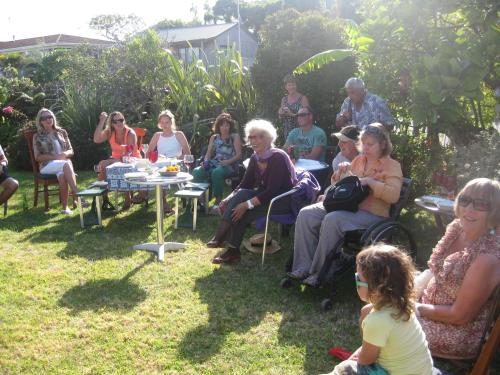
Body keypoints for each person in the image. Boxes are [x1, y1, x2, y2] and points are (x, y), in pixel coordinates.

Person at [289, 123, 402, 287]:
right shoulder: (358, 160)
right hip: (347, 206)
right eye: (364, 144)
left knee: (333, 219)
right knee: (307, 213)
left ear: (383, 144)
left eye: (370, 144)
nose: (366, 148)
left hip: (372, 214)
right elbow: (342, 186)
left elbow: (393, 195)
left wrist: (370, 182)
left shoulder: (392, 166)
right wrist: (341, 174)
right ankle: (302, 266)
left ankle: (319, 273)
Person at [415, 178, 500, 359]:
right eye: (464, 200)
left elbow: (459, 316)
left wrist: (413, 307)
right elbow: (436, 272)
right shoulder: (457, 228)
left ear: (494, 210)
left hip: (455, 332)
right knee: (379, 306)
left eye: (480, 205)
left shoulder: (487, 257)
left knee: (377, 317)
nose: (468, 209)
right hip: (429, 309)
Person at [324, 244, 434, 375]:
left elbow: (365, 361)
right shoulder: (403, 304)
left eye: (358, 278)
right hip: (424, 371)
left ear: (377, 287)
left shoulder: (377, 321)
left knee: (345, 367)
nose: (356, 280)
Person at [207, 119, 297, 264]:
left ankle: (225, 242)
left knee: (242, 208)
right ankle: (229, 247)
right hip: (264, 199)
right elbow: (245, 183)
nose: (254, 141)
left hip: (281, 201)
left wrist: (246, 205)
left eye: (259, 137)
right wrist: (228, 198)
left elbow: (272, 191)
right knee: (240, 200)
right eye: (251, 137)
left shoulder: (278, 157)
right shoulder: (255, 158)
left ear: (268, 139)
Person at [33, 108, 84, 214]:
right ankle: (79, 196)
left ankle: (65, 208)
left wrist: (65, 154)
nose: (48, 119)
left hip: (62, 164)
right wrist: (55, 157)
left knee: (62, 175)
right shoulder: (37, 136)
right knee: (66, 164)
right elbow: (37, 157)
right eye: (44, 118)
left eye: (50, 116)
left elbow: (71, 150)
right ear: (40, 121)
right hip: (46, 166)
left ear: (53, 118)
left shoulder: (62, 132)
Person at [93, 111, 143, 210]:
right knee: (102, 166)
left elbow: (129, 154)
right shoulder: (109, 132)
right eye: (115, 121)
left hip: (132, 160)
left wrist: (112, 161)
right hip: (116, 160)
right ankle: (104, 199)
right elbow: (96, 139)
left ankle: (127, 197)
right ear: (111, 123)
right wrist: (102, 121)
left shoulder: (130, 133)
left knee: (107, 164)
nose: (119, 123)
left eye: (121, 120)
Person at [192, 113, 242, 211]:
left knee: (217, 172)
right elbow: (208, 153)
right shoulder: (214, 137)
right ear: (218, 126)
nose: (224, 127)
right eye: (222, 125)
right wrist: (205, 162)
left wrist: (228, 161)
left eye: (227, 125)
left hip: (229, 164)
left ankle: (217, 203)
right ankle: (201, 201)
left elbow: (239, 155)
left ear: (230, 126)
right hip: (215, 163)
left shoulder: (234, 136)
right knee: (197, 171)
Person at [278, 74, 310, 141]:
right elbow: (280, 117)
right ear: (286, 87)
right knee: (289, 150)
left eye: (293, 84)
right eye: (289, 85)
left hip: (301, 132)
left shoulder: (302, 98)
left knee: (300, 150)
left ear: (296, 85)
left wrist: (292, 114)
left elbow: (307, 117)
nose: (291, 87)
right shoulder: (284, 99)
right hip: (288, 132)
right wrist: (281, 113)